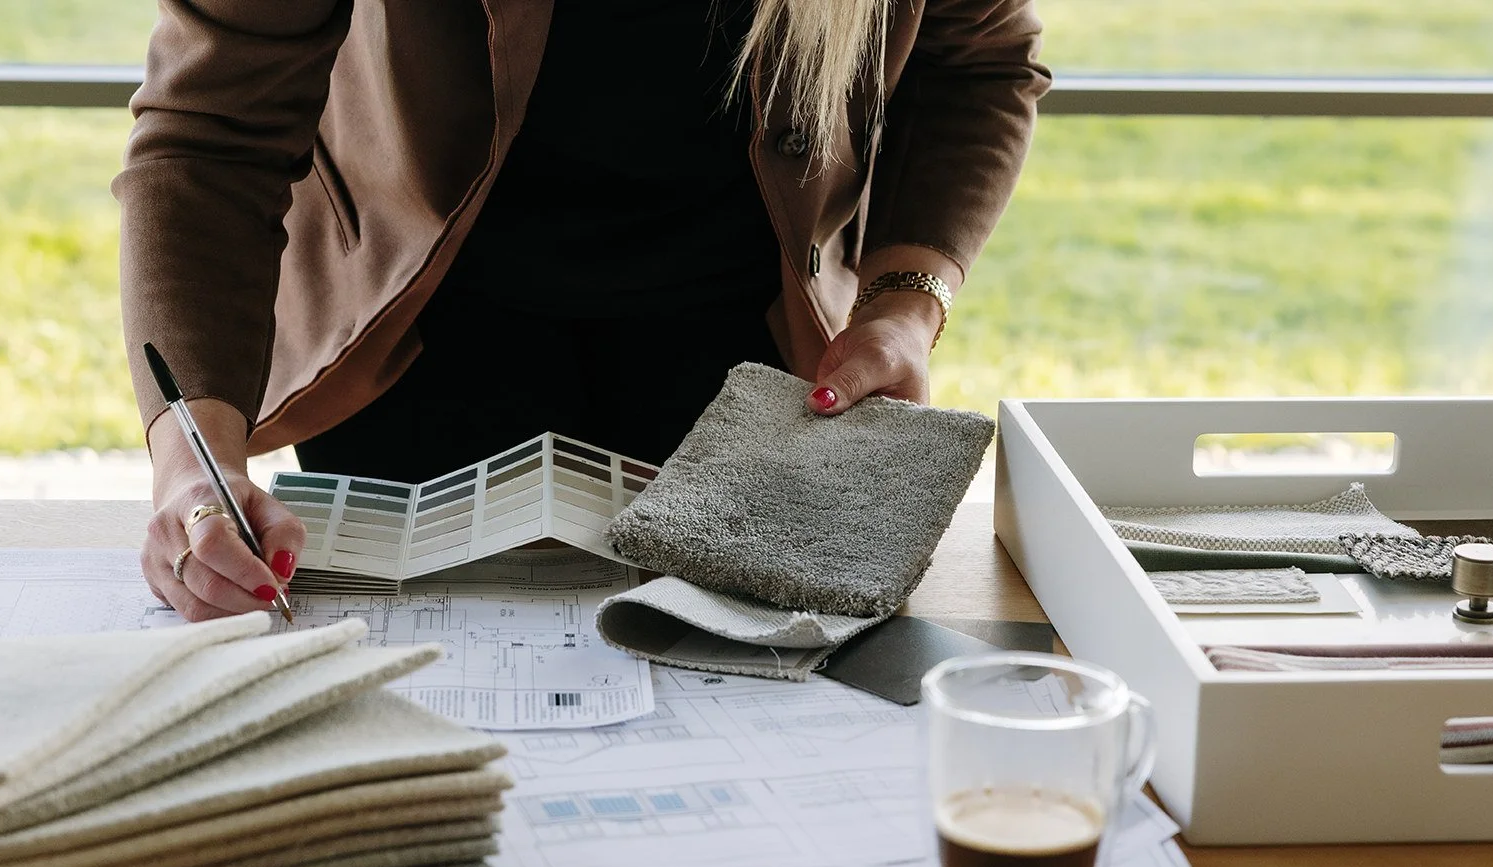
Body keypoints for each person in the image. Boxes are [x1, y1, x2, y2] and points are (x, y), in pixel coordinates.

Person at [117, 0, 1050, 622]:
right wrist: (193, 457)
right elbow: (209, 134)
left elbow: (977, 65)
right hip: (416, 342)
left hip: (753, 368)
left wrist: (903, 304)